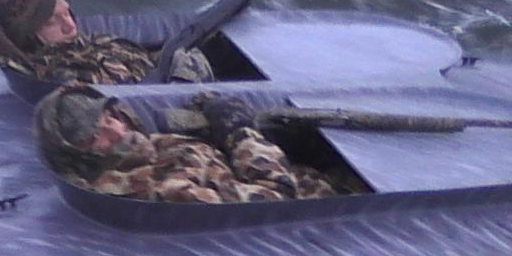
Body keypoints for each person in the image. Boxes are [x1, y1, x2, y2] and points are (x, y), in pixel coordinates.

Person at [35, 83, 339, 203]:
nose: (115, 132)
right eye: (94, 137)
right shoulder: (157, 189)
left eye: (109, 118)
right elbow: (277, 197)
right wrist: (240, 133)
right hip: (319, 208)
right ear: (79, 155)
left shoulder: (141, 152)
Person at [0, 0, 212, 85]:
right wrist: (180, 62)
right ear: (31, 35)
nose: (70, 25)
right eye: (54, 21)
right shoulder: (64, 72)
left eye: (68, 13)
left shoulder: (91, 43)